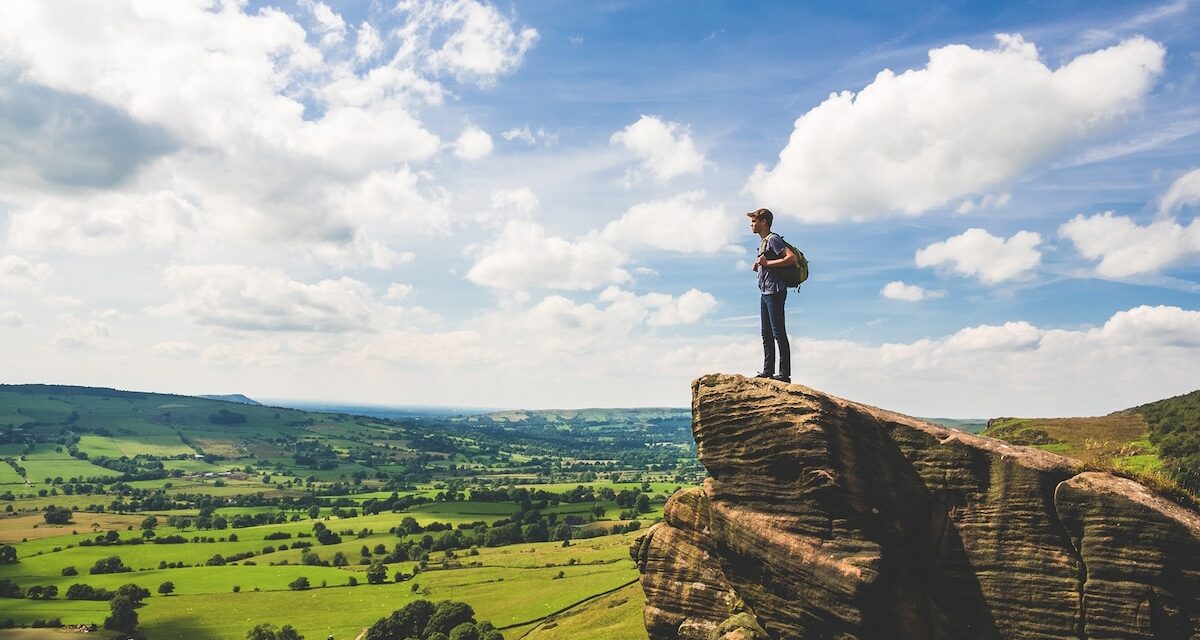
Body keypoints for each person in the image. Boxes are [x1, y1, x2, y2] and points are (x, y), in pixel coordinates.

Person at [748, 208, 796, 383]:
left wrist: (767, 262)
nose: (751, 225)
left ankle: (784, 374)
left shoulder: (773, 239)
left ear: (764, 222)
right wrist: (760, 266)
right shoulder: (763, 242)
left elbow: (791, 259)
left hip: (775, 291)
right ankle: (768, 370)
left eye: (754, 221)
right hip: (765, 291)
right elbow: (768, 264)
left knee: (778, 332)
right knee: (765, 333)